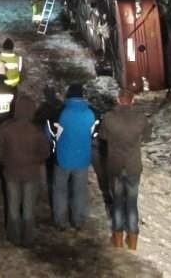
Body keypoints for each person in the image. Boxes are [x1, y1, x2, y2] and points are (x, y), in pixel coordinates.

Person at [0, 95, 50, 247]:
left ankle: (14, 236)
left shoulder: (6, 128)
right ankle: (28, 237)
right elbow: (45, 152)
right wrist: (35, 161)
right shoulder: (36, 130)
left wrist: (6, 161)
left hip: (11, 173)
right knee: (28, 208)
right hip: (31, 174)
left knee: (12, 206)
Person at [99, 89, 150, 250]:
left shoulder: (108, 118)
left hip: (115, 166)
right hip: (133, 166)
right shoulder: (141, 119)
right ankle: (133, 239)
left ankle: (118, 238)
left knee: (118, 203)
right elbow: (147, 136)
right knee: (132, 203)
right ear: (133, 101)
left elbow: (102, 137)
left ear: (117, 100)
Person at [46, 83, 96, 231]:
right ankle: (78, 220)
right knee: (80, 190)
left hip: (62, 158)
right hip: (83, 159)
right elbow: (93, 133)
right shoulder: (91, 113)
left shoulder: (60, 112)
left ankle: (60, 221)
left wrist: (55, 143)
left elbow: (50, 133)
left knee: (60, 190)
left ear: (68, 96)